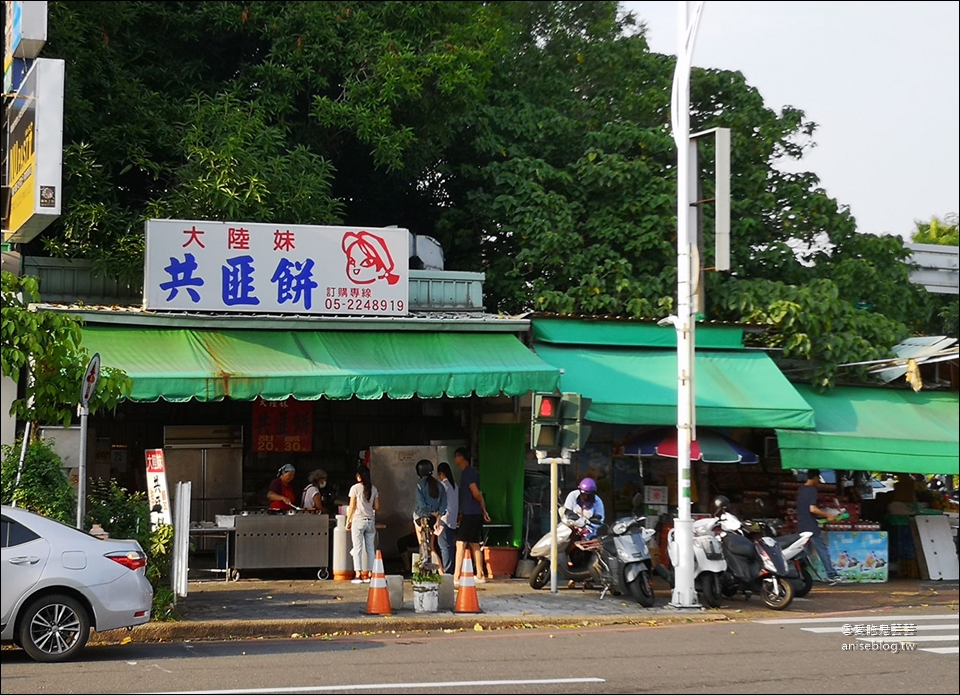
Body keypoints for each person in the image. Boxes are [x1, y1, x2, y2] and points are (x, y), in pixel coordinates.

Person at [797, 469, 843, 585]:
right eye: (818, 479)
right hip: (811, 527)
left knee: (801, 553)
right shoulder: (811, 490)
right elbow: (812, 509)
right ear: (815, 477)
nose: (819, 481)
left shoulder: (801, 489)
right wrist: (828, 515)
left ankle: (797, 574)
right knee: (822, 550)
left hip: (802, 525)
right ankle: (831, 575)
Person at [453, 447, 491, 586]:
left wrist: (482, 507)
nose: (454, 459)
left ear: (461, 457)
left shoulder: (468, 473)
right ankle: (480, 574)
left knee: (460, 543)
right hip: (473, 513)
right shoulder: (470, 472)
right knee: (474, 544)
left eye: (456, 456)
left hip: (471, 513)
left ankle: (456, 576)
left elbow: (475, 492)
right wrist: (483, 510)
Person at [346, 465, 380, 584]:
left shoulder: (354, 488)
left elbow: (352, 506)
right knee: (370, 549)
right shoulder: (374, 489)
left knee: (357, 549)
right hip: (370, 521)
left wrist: (348, 521)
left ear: (360, 476)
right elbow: (377, 507)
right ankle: (370, 574)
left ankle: (358, 575)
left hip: (358, 521)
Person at [412, 459, 447, 572]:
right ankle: (442, 573)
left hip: (420, 519)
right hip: (434, 520)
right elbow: (444, 504)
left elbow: (421, 505)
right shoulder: (440, 485)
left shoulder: (419, 485)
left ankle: (424, 573)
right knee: (432, 548)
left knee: (422, 545)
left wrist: (430, 511)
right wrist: (438, 516)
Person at [436, 461, 459, 575]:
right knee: (449, 546)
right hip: (453, 519)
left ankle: (447, 571)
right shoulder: (455, 486)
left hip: (444, 519)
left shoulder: (443, 486)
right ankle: (450, 570)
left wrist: (437, 519)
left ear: (440, 474)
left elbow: (440, 504)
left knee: (443, 546)